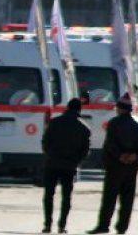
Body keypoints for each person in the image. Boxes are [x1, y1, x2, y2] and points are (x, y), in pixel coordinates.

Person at [88, 95, 138, 235]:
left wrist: (120, 156)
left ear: (120, 108)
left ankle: (103, 226)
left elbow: (110, 145)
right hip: (132, 167)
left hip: (115, 166)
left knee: (109, 198)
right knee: (127, 200)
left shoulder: (114, 123)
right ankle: (122, 228)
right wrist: (135, 156)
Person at [40, 98, 91, 234]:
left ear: (67, 107)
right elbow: (85, 151)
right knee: (66, 196)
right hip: (70, 166)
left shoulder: (54, 122)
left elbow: (45, 142)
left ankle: (47, 225)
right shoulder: (84, 128)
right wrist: (77, 161)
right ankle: (62, 226)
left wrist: (50, 155)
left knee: (49, 195)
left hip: (52, 163)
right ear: (80, 109)